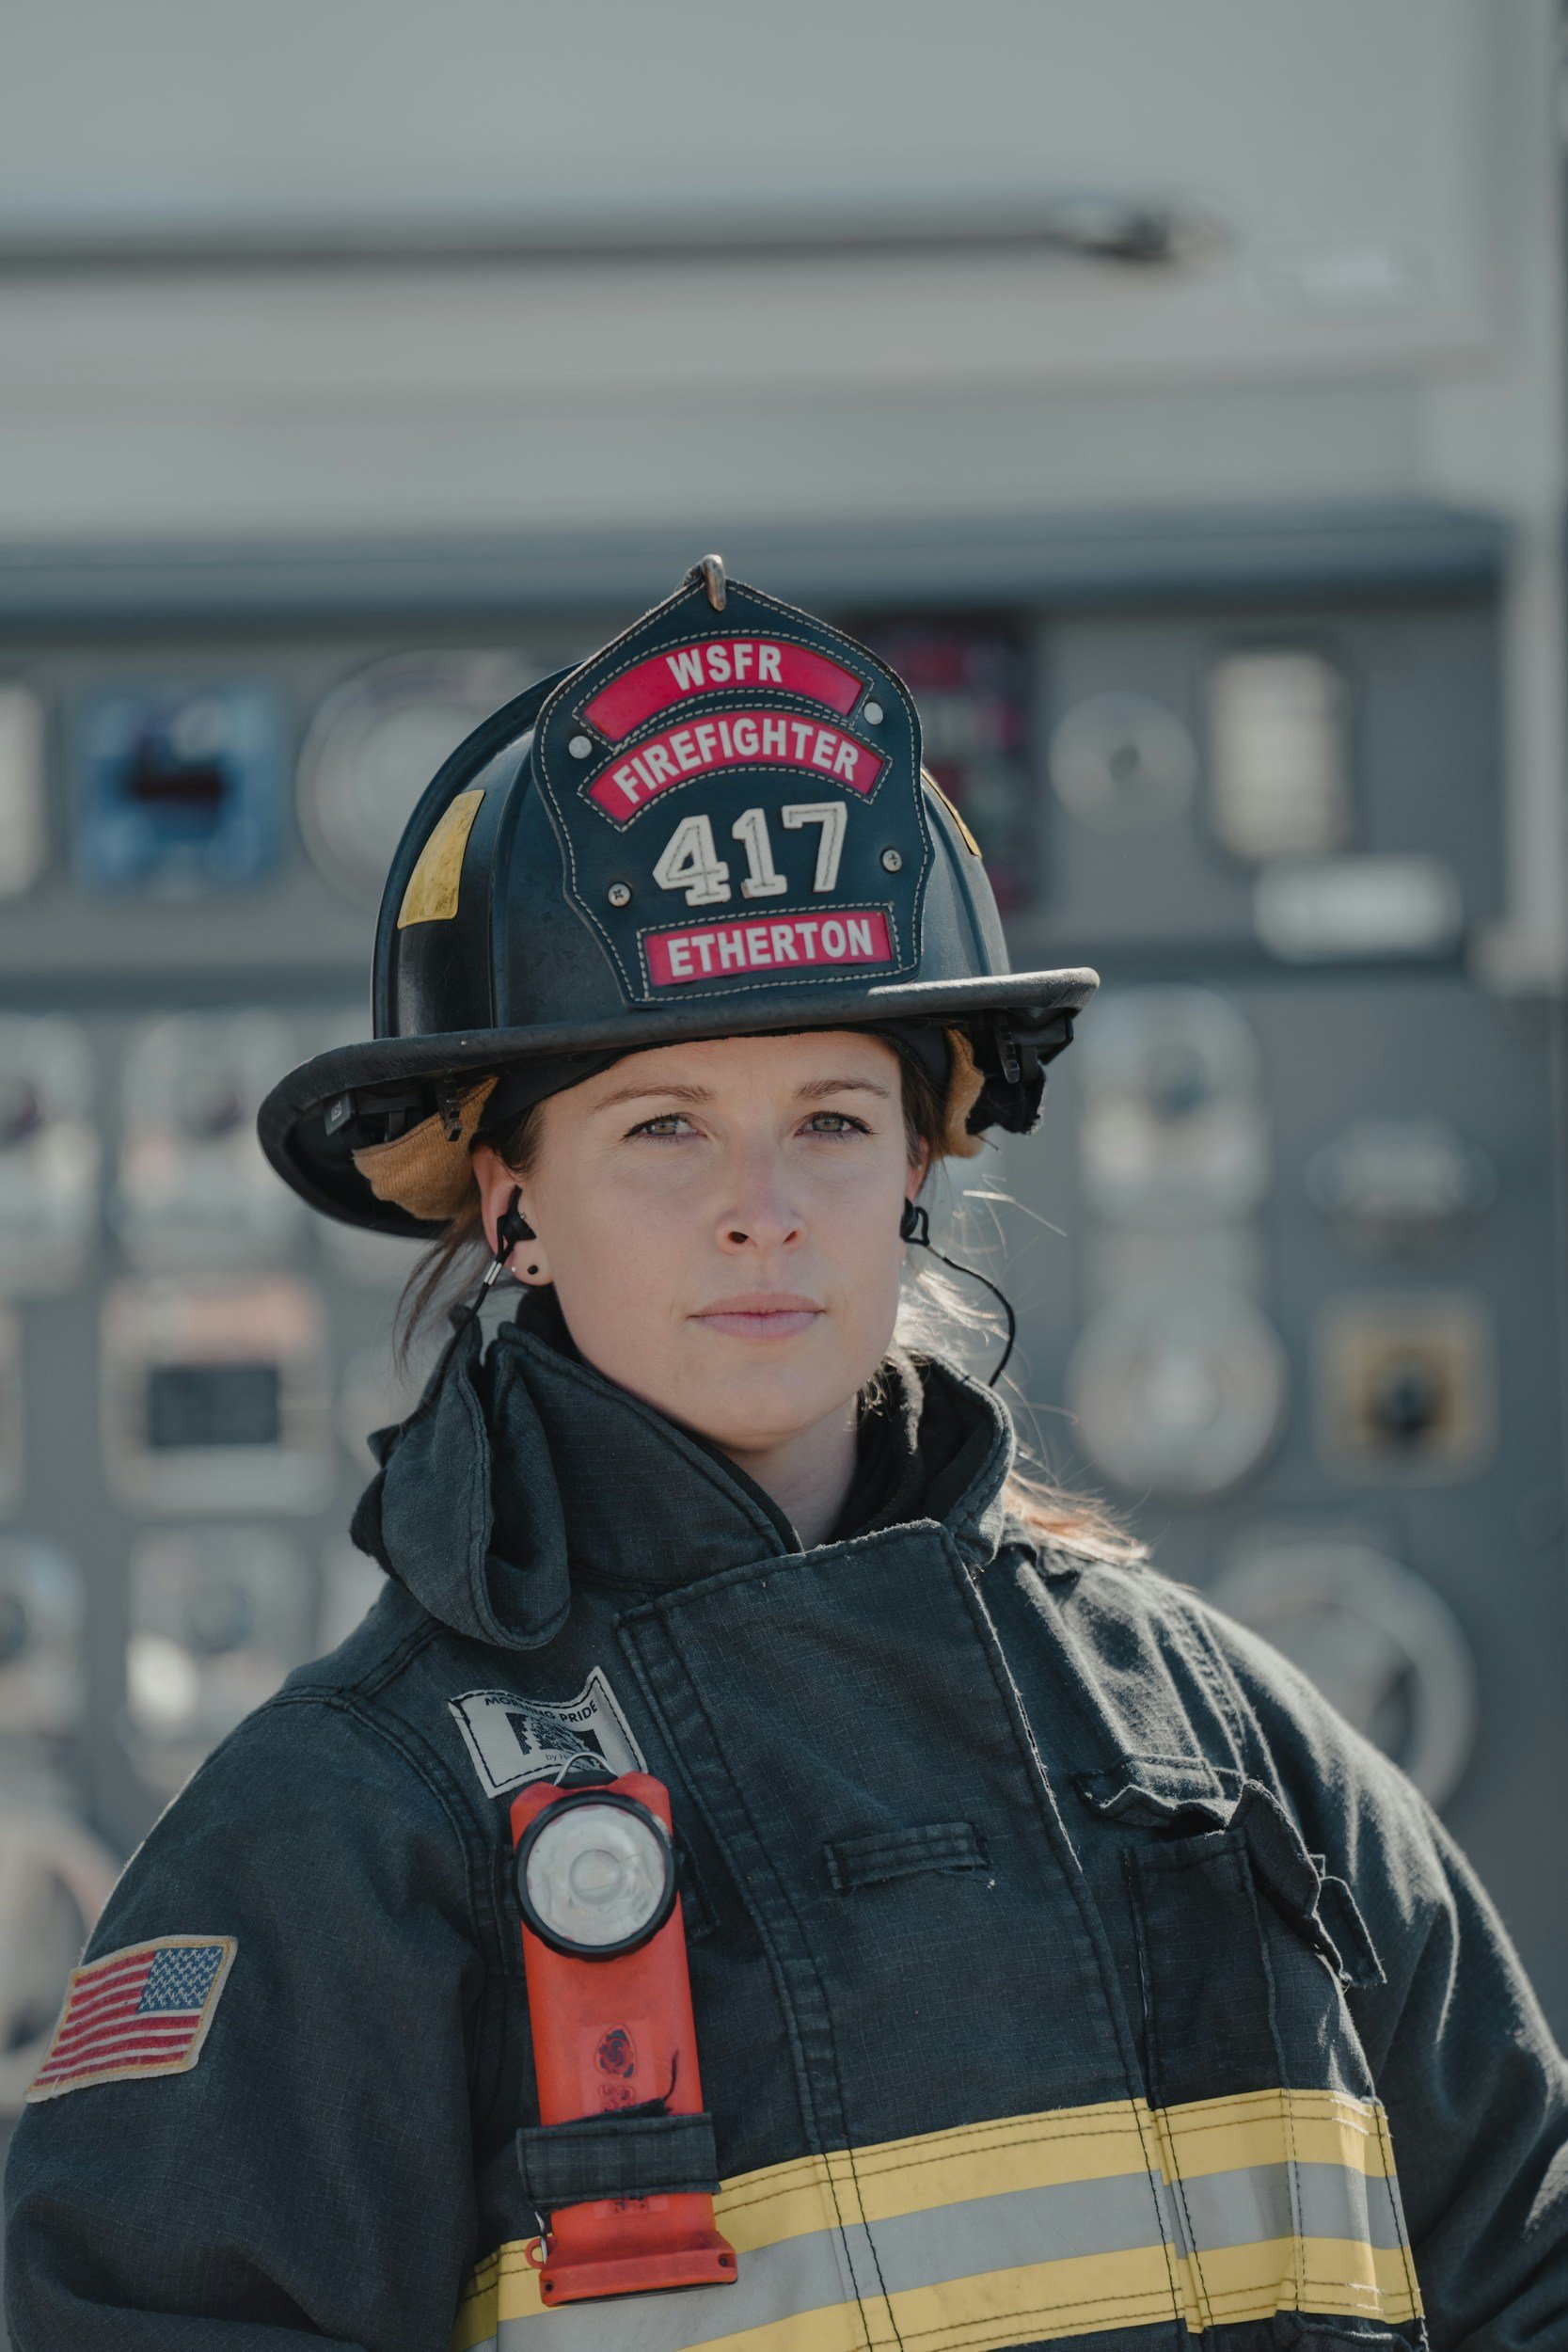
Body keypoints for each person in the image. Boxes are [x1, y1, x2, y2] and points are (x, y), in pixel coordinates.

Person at [5, 560, 1566, 2352]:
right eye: (663, 1126)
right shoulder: (345, 1837)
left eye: (831, 1119)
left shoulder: (1210, 1742)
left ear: (918, 1169)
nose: (764, 1213)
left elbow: (1526, 2252)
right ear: (511, 1204)